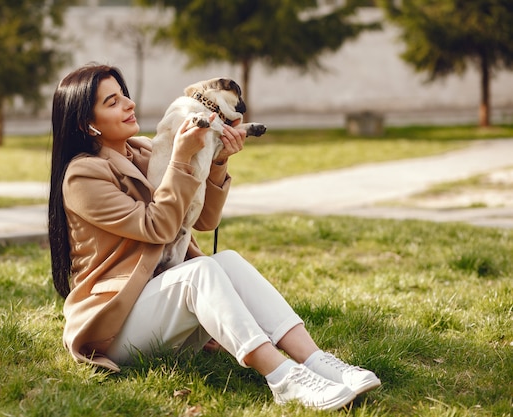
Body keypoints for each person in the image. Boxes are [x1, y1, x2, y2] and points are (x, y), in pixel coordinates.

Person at [48, 63, 381, 411]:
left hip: (163, 309)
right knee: (200, 272)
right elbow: (157, 227)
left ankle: (316, 361)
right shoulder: (82, 175)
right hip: (115, 327)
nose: (129, 105)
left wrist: (218, 160)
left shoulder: (146, 150)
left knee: (227, 261)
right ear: (87, 123)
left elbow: (204, 220)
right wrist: (181, 157)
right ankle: (284, 377)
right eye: (112, 102)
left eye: (124, 96)